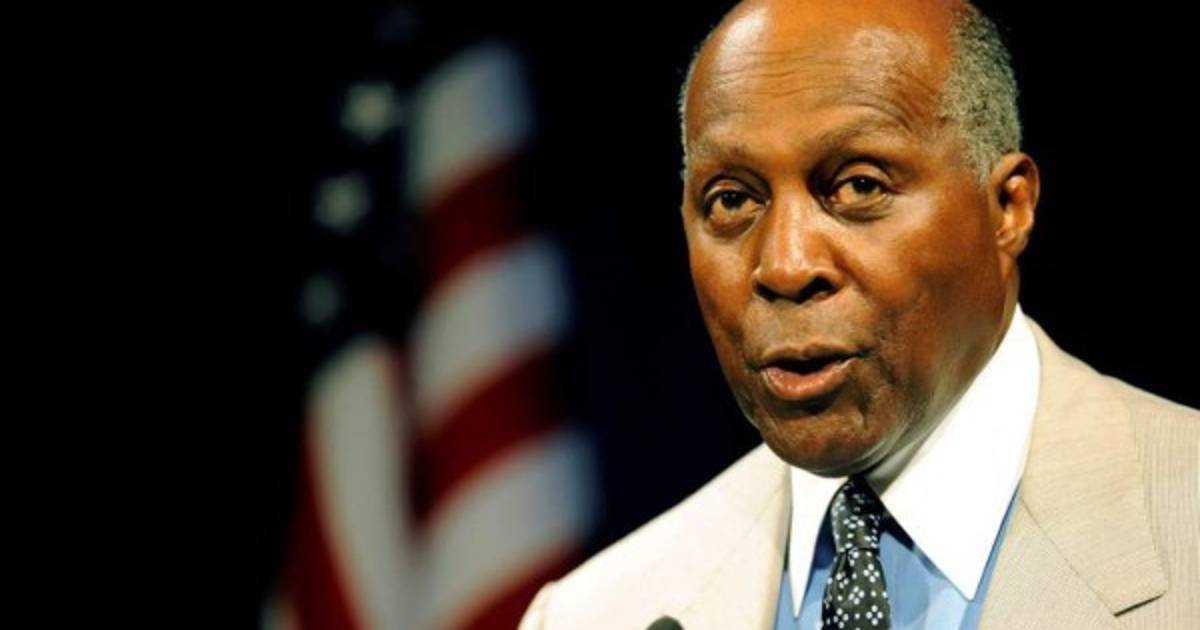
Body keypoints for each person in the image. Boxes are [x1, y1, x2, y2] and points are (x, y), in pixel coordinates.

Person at [520, 1, 1199, 628]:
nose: (786, 266)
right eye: (732, 200)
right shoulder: (592, 612)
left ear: (1007, 208)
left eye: (858, 186)